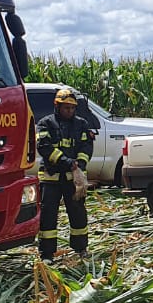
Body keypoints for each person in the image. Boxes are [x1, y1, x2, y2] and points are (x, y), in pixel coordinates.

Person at [35, 88, 95, 261]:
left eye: (72, 108)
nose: (69, 111)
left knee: (78, 214)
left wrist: (81, 164)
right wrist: (67, 162)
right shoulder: (45, 124)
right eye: (65, 108)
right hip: (51, 178)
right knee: (48, 216)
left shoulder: (81, 124)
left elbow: (86, 147)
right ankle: (47, 253)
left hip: (73, 181)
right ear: (57, 106)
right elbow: (44, 148)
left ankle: (81, 248)